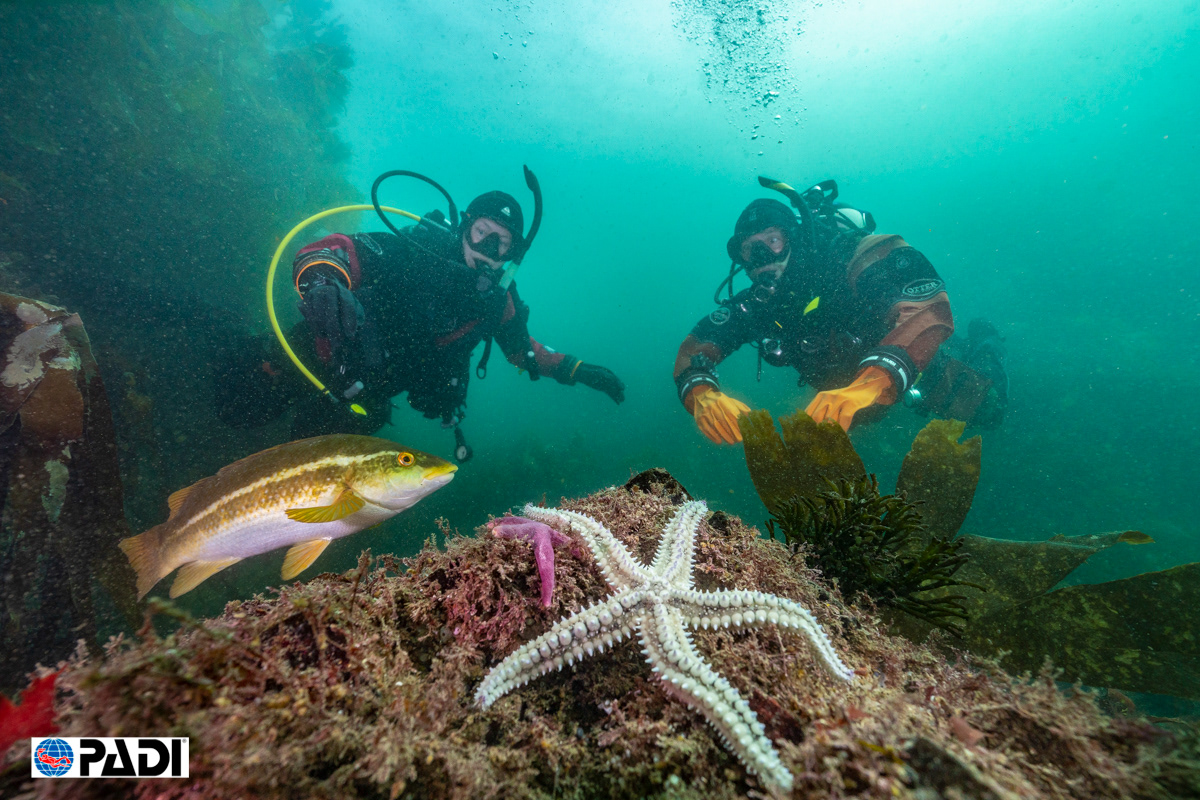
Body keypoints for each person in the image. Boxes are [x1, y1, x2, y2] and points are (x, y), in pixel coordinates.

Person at [217, 177, 624, 459]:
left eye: (501, 242)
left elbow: (524, 352)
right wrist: (322, 283)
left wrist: (578, 369)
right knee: (235, 411)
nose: (487, 247)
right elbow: (337, 249)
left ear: (513, 253)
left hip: (364, 398)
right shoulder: (415, 253)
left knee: (303, 462)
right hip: (312, 354)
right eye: (482, 232)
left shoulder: (499, 303)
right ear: (464, 227)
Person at [674, 178, 962, 443]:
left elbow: (929, 308)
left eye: (772, 241)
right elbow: (694, 348)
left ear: (793, 239)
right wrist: (700, 393)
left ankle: (986, 347)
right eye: (750, 248)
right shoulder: (757, 305)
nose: (762, 256)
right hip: (842, 409)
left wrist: (871, 383)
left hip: (918, 370)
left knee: (985, 407)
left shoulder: (846, 259)